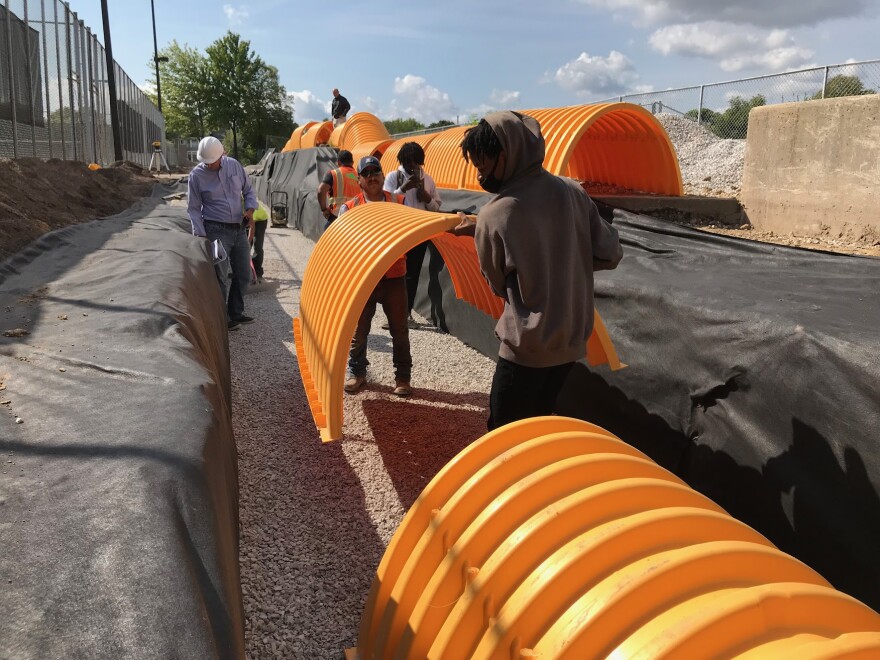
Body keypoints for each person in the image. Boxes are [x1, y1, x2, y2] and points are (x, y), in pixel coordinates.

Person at [449, 111, 623, 430]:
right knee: (539, 424)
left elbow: (497, 283)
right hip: (570, 344)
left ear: (505, 155)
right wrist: (568, 260)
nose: (479, 175)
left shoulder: (494, 214)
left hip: (526, 351)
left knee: (503, 433)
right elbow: (610, 253)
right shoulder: (573, 192)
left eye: (483, 165)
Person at [338, 156, 412, 397]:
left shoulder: (399, 203)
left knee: (399, 331)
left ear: (382, 175)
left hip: (393, 277)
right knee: (358, 330)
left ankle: (403, 378)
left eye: (375, 171)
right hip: (363, 280)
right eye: (366, 173)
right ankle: (356, 372)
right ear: (359, 180)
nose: (372, 176)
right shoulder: (349, 208)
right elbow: (340, 244)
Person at [187, 135, 257, 331]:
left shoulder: (235, 166)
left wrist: (249, 210)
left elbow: (249, 191)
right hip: (215, 230)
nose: (209, 165)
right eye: (206, 162)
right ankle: (222, 319)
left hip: (238, 228)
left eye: (213, 161)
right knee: (220, 276)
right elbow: (193, 208)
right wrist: (200, 235)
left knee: (243, 273)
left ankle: (236, 312)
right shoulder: (196, 176)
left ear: (223, 154)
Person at [383, 142, 441, 328]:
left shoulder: (428, 180)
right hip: (398, 232)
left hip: (419, 233)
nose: (413, 168)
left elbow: (436, 207)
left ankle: (405, 314)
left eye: (416, 164)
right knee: (395, 273)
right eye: (409, 163)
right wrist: (403, 189)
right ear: (403, 161)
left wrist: (427, 197)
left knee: (413, 274)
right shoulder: (394, 177)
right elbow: (385, 203)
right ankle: (391, 314)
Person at [317, 149, 359, 223]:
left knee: (328, 234)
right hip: (355, 216)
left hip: (336, 216)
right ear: (352, 163)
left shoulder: (334, 174)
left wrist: (324, 209)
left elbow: (321, 190)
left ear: (338, 162)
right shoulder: (359, 176)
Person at [251, 203, 269, 283]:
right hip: (251, 219)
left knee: (257, 245)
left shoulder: (247, 204)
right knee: (245, 246)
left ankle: (258, 272)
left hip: (260, 220)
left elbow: (252, 226)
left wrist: (248, 241)